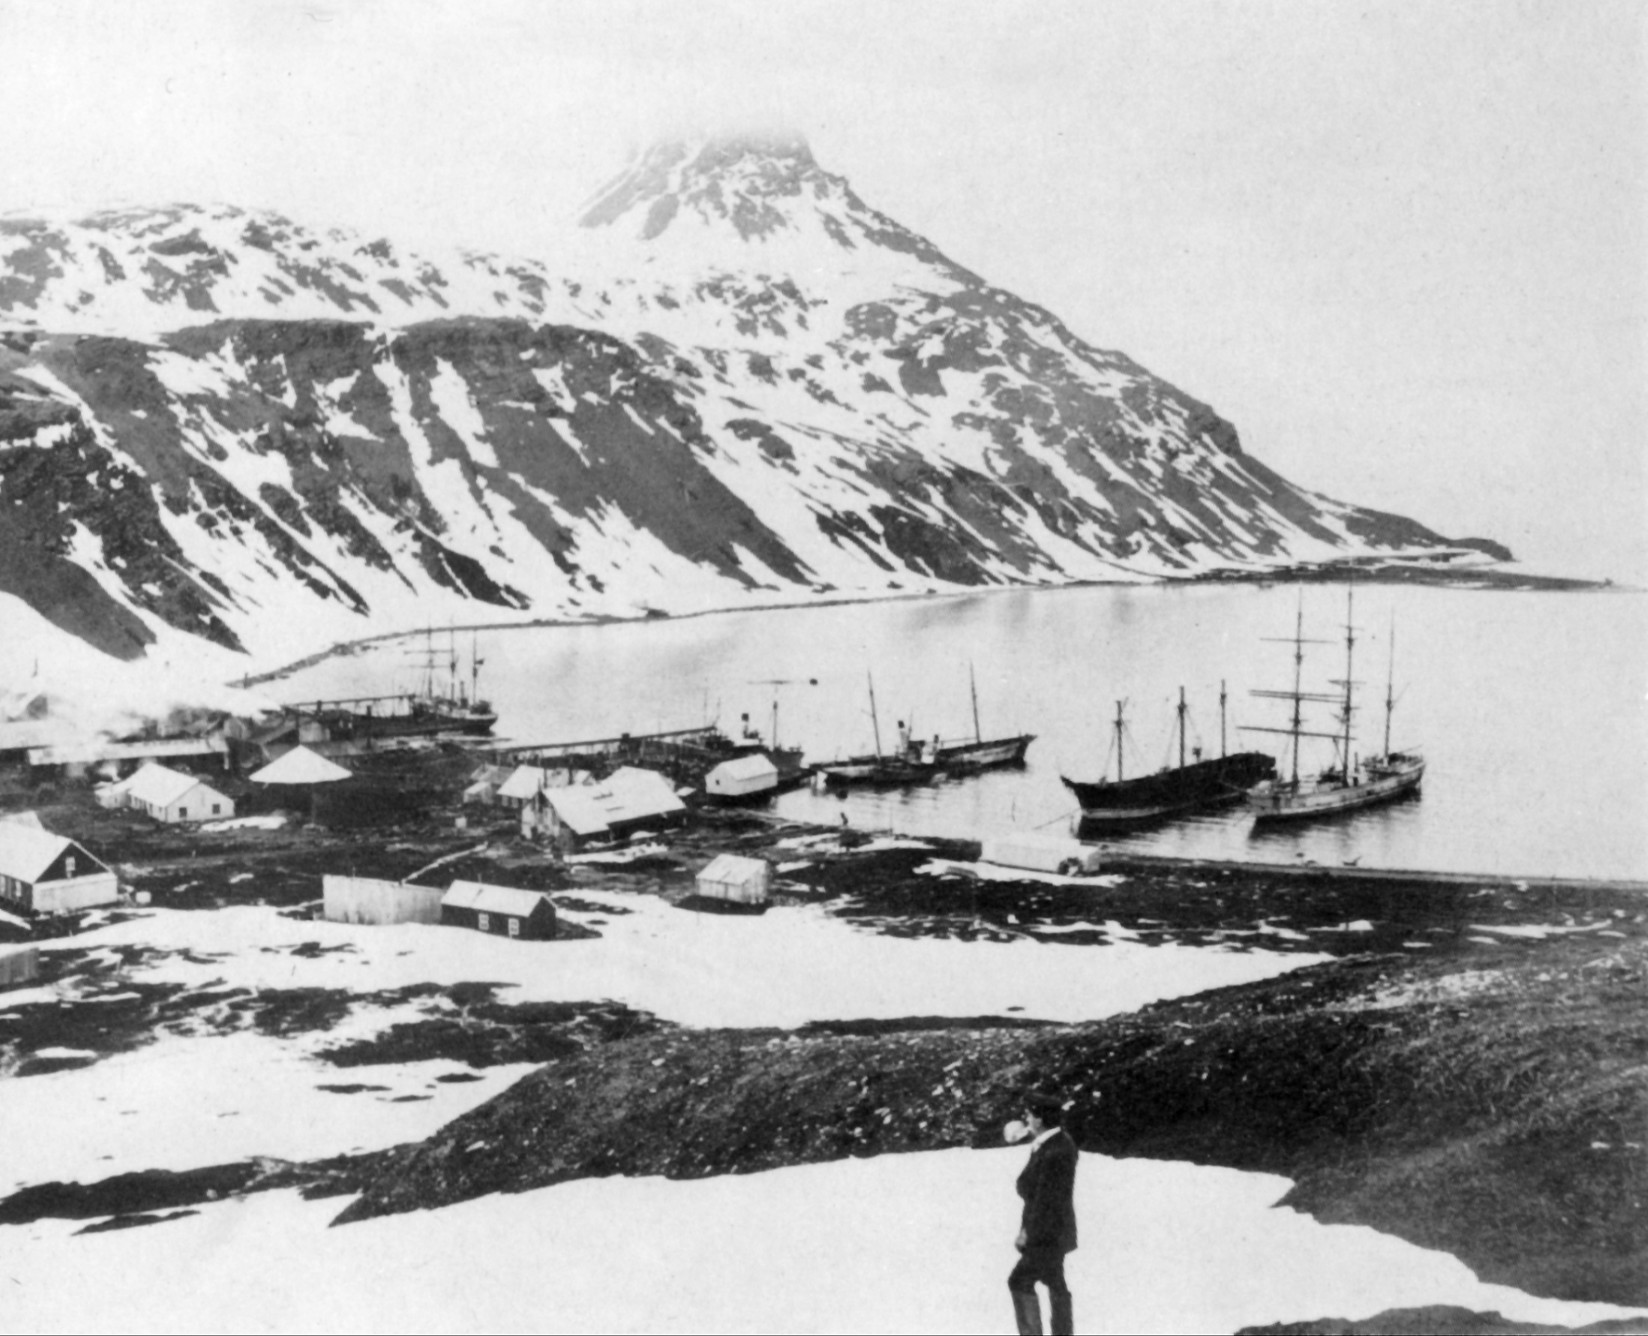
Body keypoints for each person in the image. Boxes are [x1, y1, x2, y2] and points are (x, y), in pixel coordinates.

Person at [1008, 1092, 1077, 1336]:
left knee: (1019, 1281)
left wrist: (1029, 1233)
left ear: (1038, 1120)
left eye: (1029, 1115)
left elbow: (1045, 1200)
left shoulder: (1055, 1150)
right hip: (1053, 1233)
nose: (1026, 1119)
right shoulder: (1053, 1143)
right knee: (1056, 1283)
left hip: (1046, 1234)